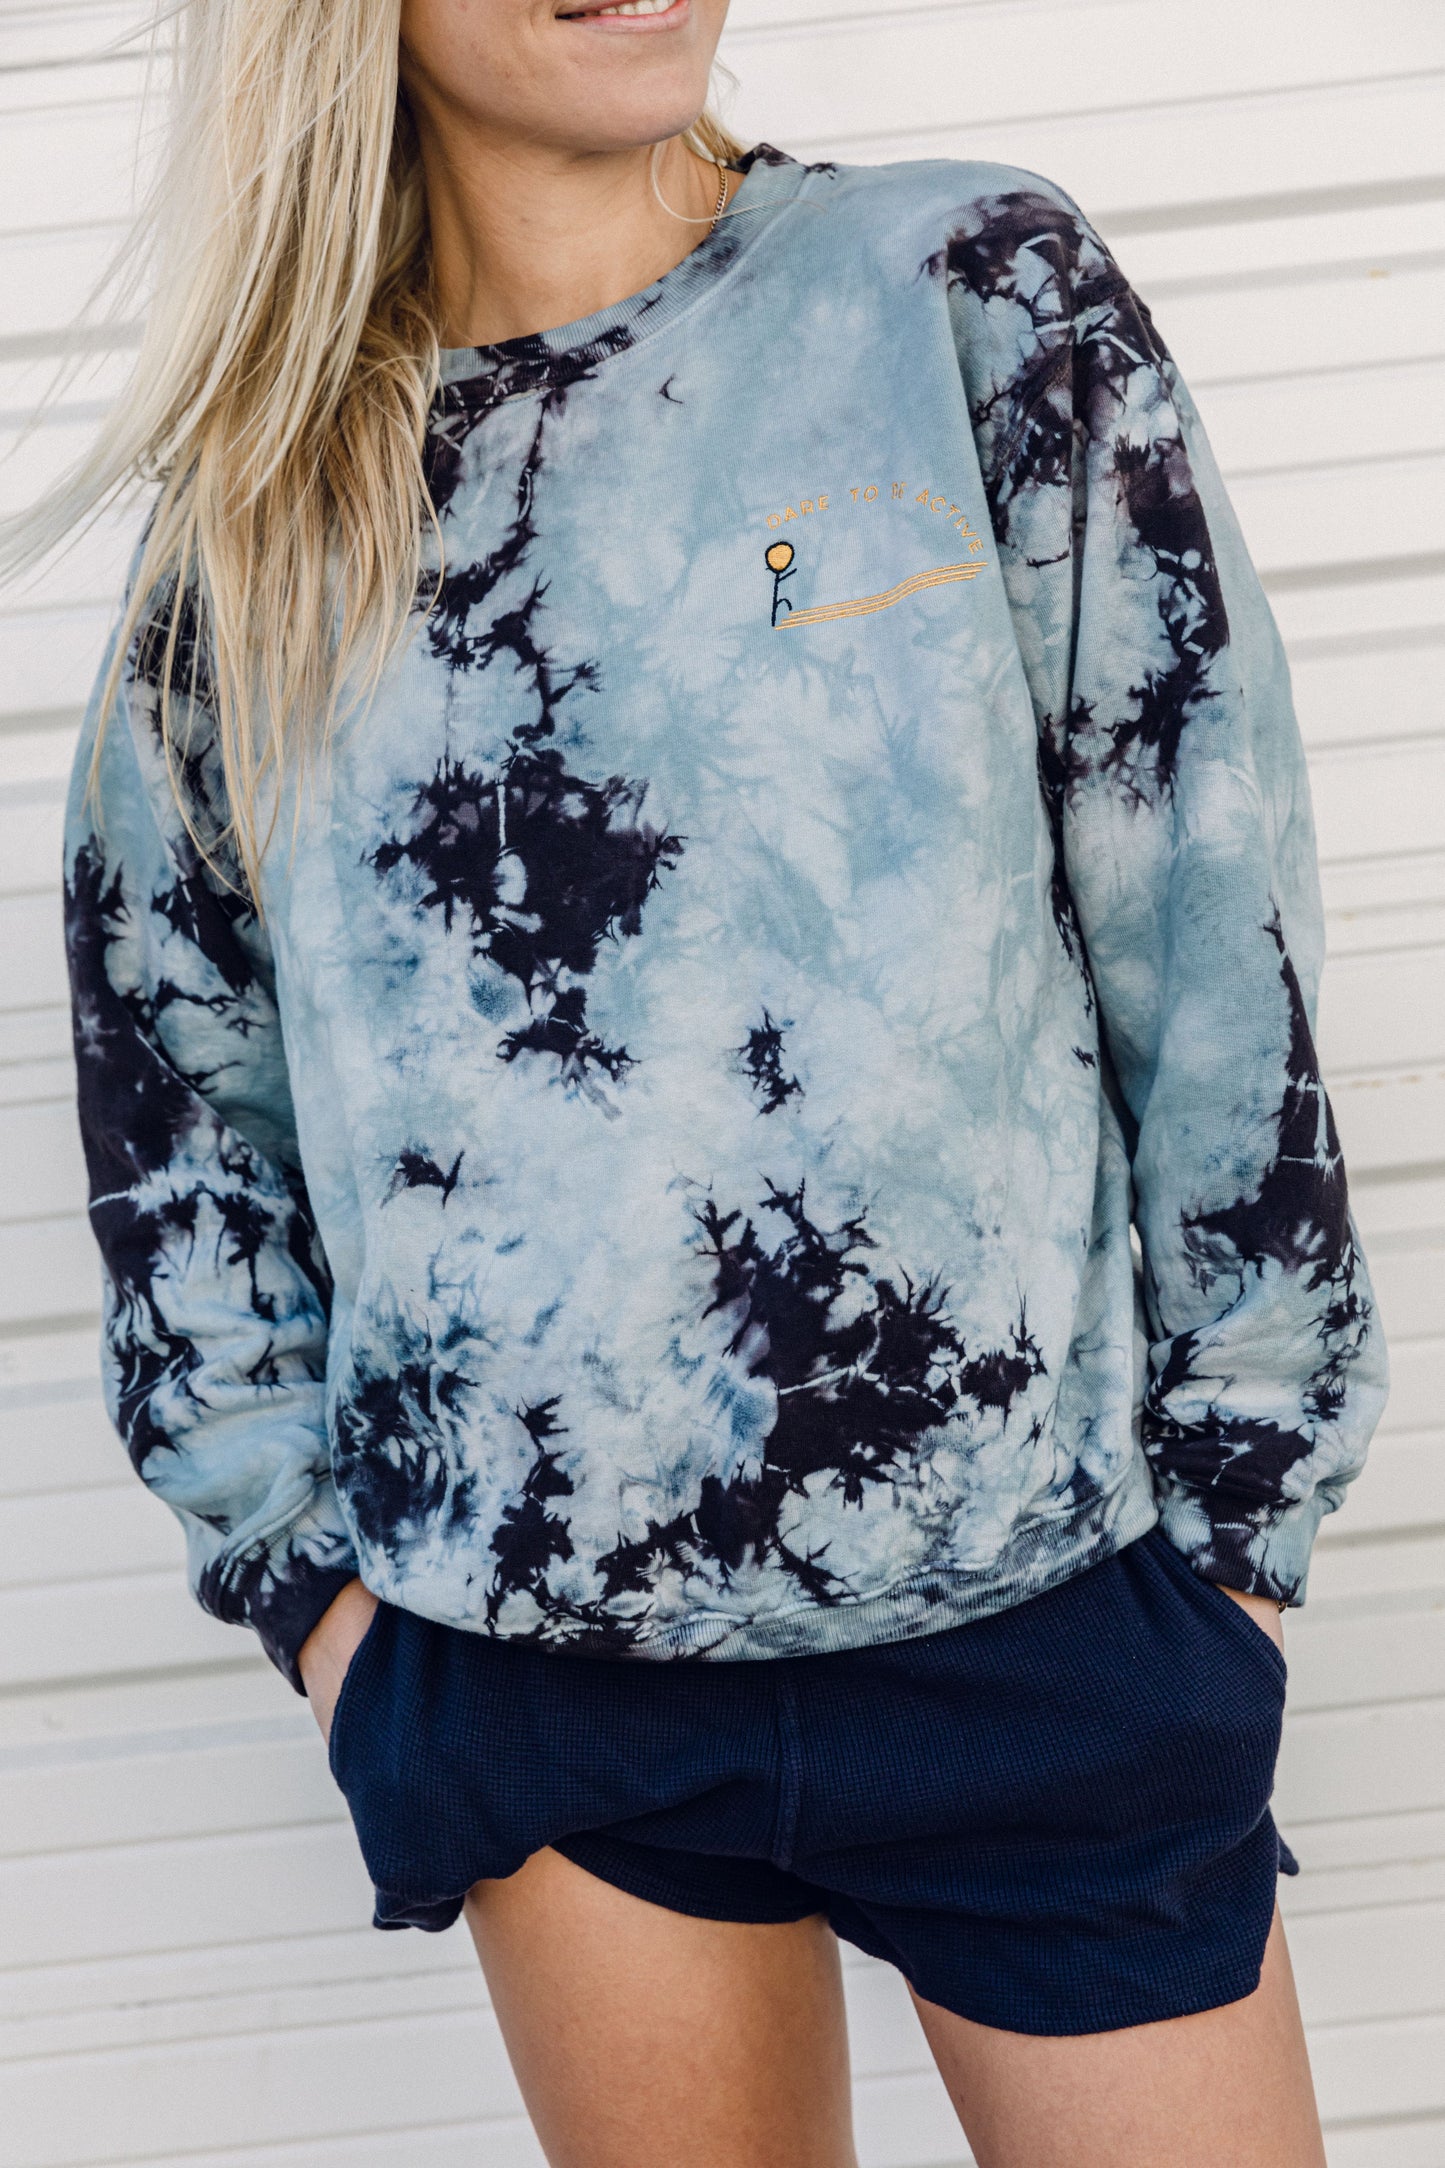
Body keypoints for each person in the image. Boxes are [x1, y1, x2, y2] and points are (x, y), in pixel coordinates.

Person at [15, 0, 1388, 2161]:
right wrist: (325, 1606)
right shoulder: (266, 502)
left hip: (1047, 1632)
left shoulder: (962, 292)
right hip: (551, 1700)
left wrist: (1240, 1533)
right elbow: (175, 1082)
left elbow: (1211, 914)